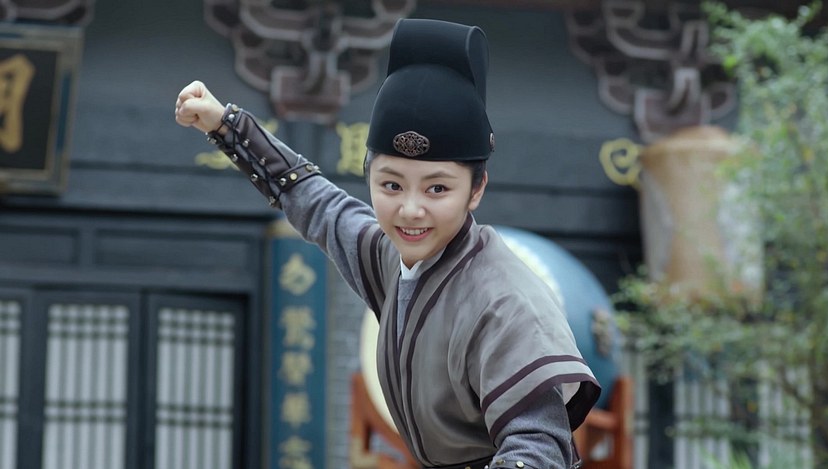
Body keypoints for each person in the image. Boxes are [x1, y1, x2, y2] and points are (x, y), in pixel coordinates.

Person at [175, 18, 600, 469]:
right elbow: (317, 202)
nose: (410, 210)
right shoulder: (388, 257)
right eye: (391, 185)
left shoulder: (505, 301)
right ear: (369, 178)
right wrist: (226, 124)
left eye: (437, 189)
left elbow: (537, 446)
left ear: (476, 190)